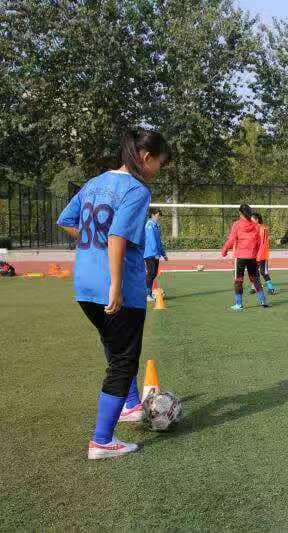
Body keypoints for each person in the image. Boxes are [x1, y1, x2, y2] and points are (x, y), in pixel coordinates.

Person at [57, 128, 171, 459]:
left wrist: (91, 242)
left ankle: (131, 405)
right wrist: (116, 284)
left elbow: (66, 220)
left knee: (115, 346)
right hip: (116, 286)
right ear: (146, 157)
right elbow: (118, 236)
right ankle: (102, 441)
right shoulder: (137, 189)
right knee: (123, 359)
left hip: (84, 284)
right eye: (160, 163)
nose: (159, 170)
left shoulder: (94, 183)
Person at [221, 204, 269, 310]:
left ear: (240, 213)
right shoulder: (256, 226)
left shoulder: (236, 224)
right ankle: (263, 301)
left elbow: (231, 240)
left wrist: (224, 250)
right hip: (252, 257)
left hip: (240, 257)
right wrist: (256, 254)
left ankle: (238, 304)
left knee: (238, 280)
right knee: (255, 279)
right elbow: (259, 242)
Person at [144, 208, 168, 302]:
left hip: (155, 254)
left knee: (153, 274)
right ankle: (146, 294)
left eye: (159, 216)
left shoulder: (156, 226)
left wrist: (163, 254)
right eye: (158, 216)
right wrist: (155, 253)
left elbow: (158, 242)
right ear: (153, 215)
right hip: (150, 254)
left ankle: (149, 293)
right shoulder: (149, 225)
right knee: (150, 273)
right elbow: (152, 240)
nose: (159, 217)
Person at [250, 213, 276, 295]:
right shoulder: (261, 227)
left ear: (257, 220)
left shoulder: (260, 228)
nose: (251, 221)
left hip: (261, 254)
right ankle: (255, 286)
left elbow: (259, 242)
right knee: (254, 271)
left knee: (263, 272)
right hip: (256, 253)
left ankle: (271, 288)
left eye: (252, 220)